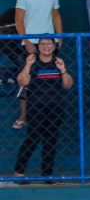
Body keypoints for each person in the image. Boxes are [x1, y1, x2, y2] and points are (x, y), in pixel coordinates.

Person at [13, 38, 73, 183]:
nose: (46, 47)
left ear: (54, 46)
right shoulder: (33, 62)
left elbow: (68, 85)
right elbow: (22, 81)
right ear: (38, 46)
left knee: (50, 140)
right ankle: (18, 174)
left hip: (55, 107)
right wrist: (27, 65)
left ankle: (47, 175)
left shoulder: (58, 62)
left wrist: (63, 69)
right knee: (32, 138)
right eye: (43, 44)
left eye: (49, 43)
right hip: (35, 107)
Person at [14, 0, 62, 130]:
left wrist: (59, 36)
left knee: (50, 78)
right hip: (30, 43)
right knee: (25, 80)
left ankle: (50, 114)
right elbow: (18, 20)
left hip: (49, 43)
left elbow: (56, 15)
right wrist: (26, 41)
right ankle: (23, 115)